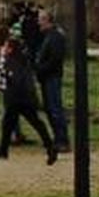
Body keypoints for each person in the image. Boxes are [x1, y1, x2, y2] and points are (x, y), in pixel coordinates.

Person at [0, 35, 58, 164]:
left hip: (16, 98)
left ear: (10, 49)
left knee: (9, 123)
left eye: (6, 46)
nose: (4, 48)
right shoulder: (23, 59)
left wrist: (6, 77)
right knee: (34, 123)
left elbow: (14, 78)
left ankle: (4, 149)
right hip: (27, 97)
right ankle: (49, 146)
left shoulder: (11, 61)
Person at [33, 8, 70, 151]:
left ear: (48, 21)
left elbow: (55, 59)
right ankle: (58, 138)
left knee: (55, 108)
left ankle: (62, 140)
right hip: (46, 77)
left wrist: (40, 68)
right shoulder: (48, 36)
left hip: (52, 77)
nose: (38, 22)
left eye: (40, 19)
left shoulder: (55, 37)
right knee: (49, 108)